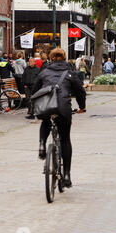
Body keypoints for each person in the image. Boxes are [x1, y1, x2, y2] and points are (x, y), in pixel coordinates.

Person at [32, 48, 86, 188]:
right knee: (65, 139)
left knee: (45, 121)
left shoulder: (44, 72)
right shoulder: (70, 73)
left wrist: (33, 107)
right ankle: (67, 175)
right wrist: (82, 107)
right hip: (63, 108)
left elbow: (34, 90)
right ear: (64, 58)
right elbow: (81, 92)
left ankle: (42, 145)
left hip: (47, 107)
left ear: (50, 58)